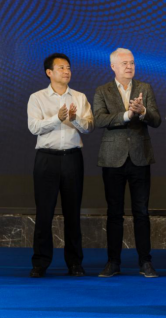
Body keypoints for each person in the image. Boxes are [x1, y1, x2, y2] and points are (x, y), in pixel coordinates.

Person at [93, 48, 161, 278]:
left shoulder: (145, 88)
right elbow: (99, 119)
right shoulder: (102, 90)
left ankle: (145, 262)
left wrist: (142, 112)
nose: (129, 66)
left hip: (140, 157)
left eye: (132, 62)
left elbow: (156, 120)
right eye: (124, 63)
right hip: (112, 158)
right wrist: (126, 115)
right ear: (113, 66)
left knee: (141, 211)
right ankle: (113, 262)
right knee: (114, 212)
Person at [27, 54, 94, 278]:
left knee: (73, 213)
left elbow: (89, 127)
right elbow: (34, 127)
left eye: (68, 68)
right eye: (61, 68)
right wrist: (57, 118)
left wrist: (74, 119)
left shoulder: (80, 97)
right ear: (49, 72)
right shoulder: (37, 98)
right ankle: (40, 263)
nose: (67, 71)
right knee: (44, 213)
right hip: (46, 159)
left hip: (72, 158)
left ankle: (75, 263)